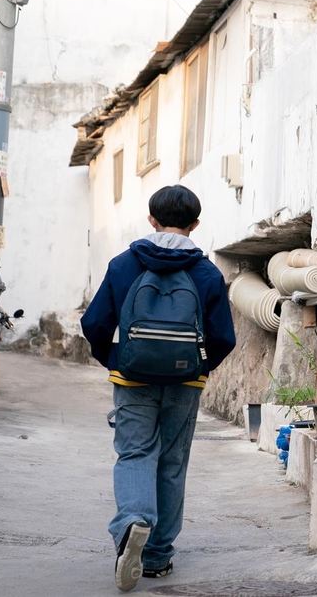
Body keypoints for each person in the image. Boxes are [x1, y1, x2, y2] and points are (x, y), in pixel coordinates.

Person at [81, 185, 236, 591]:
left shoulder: (123, 265)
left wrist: (113, 359)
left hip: (132, 379)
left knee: (135, 453)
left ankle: (133, 519)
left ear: (151, 219)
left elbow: (94, 324)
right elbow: (223, 337)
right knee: (171, 462)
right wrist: (200, 368)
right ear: (195, 224)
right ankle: (157, 557)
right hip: (186, 382)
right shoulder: (206, 273)